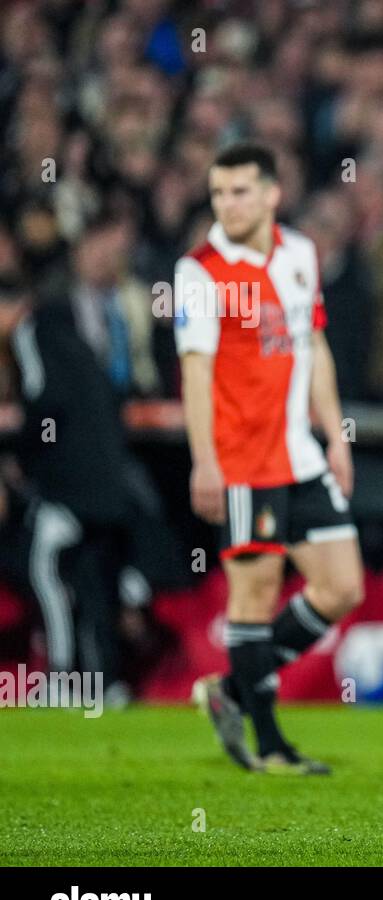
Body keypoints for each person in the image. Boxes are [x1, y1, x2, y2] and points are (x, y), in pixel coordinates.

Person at [176, 143, 364, 774]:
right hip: (241, 463)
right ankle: (271, 745)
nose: (228, 204)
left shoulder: (300, 254)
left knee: (342, 586)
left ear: (271, 195)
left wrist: (335, 436)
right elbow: (196, 374)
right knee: (253, 597)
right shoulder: (200, 271)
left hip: (301, 457)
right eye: (219, 194)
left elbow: (314, 343)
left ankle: (232, 689)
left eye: (240, 192)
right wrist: (204, 461)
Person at [0, 275, 132, 701]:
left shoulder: (31, 332)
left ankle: (61, 678)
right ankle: (106, 683)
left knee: (44, 568)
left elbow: (45, 397)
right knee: (92, 584)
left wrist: (25, 453)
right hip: (110, 488)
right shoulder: (75, 339)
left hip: (72, 489)